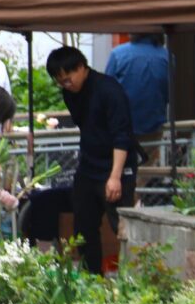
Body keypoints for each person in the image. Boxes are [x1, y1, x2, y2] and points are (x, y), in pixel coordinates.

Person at [47, 45, 138, 275]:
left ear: (81, 67)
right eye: (60, 82)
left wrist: (115, 177)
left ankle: (133, 278)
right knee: (83, 227)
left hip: (116, 166)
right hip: (88, 166)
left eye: (68, 79)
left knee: (122, 226)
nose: (66, 86)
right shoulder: (70, 94)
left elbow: (122, 135)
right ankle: (92, 279)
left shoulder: (109, 90)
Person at [105, 34, 169, 165]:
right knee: (148, 162)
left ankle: (124, 183)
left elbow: (106, 90)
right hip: (154, 120)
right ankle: (140, 184)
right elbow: (169, 90)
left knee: (119, 164)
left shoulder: (118, 53)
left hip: (121, 123)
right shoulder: (167, 56)